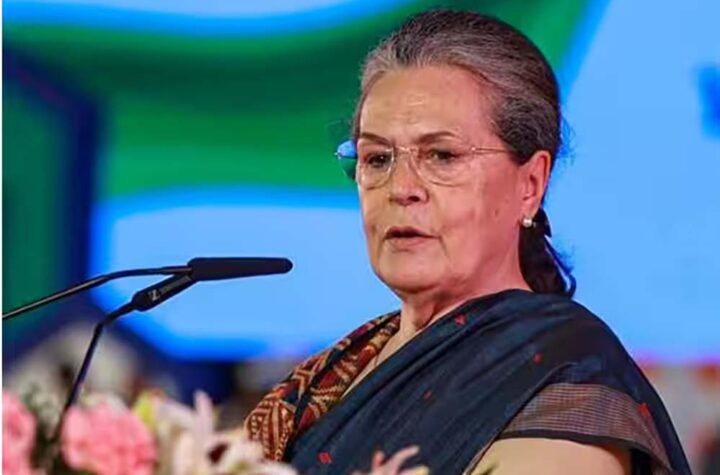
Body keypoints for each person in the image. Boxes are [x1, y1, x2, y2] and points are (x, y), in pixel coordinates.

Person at [244, 10, 691, 475]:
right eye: (376, 159)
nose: (401, 188)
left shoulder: (565, 380)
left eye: (442, 156)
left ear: (531, 185)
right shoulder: (346, 365)